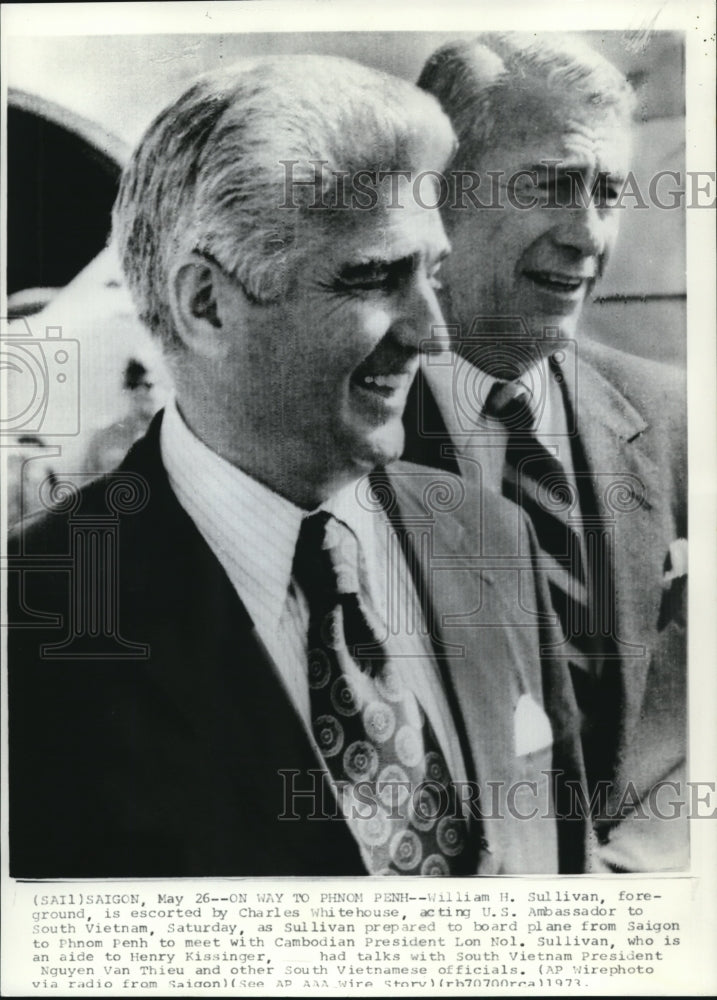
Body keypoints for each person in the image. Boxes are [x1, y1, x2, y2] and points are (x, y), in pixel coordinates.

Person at [8, 55, 587, 878]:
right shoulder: (35, 615)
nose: (433, 332)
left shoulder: (490, 535)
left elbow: (564, 856)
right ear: (205, 303)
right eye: (374, 277)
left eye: (433, 274)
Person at [404, 33, 687, 871]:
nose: (588, 235)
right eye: (552, 186)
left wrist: (636, 871)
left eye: (605, 192)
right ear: (436, 196)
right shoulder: (334, 435)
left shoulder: (671, 416)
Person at [83, 357, 162, 476]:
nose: (141, 391)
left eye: (148, 385)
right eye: (133, 385)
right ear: (124, 389)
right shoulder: (103, 437)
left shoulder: (166, 435)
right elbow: (87, 482)